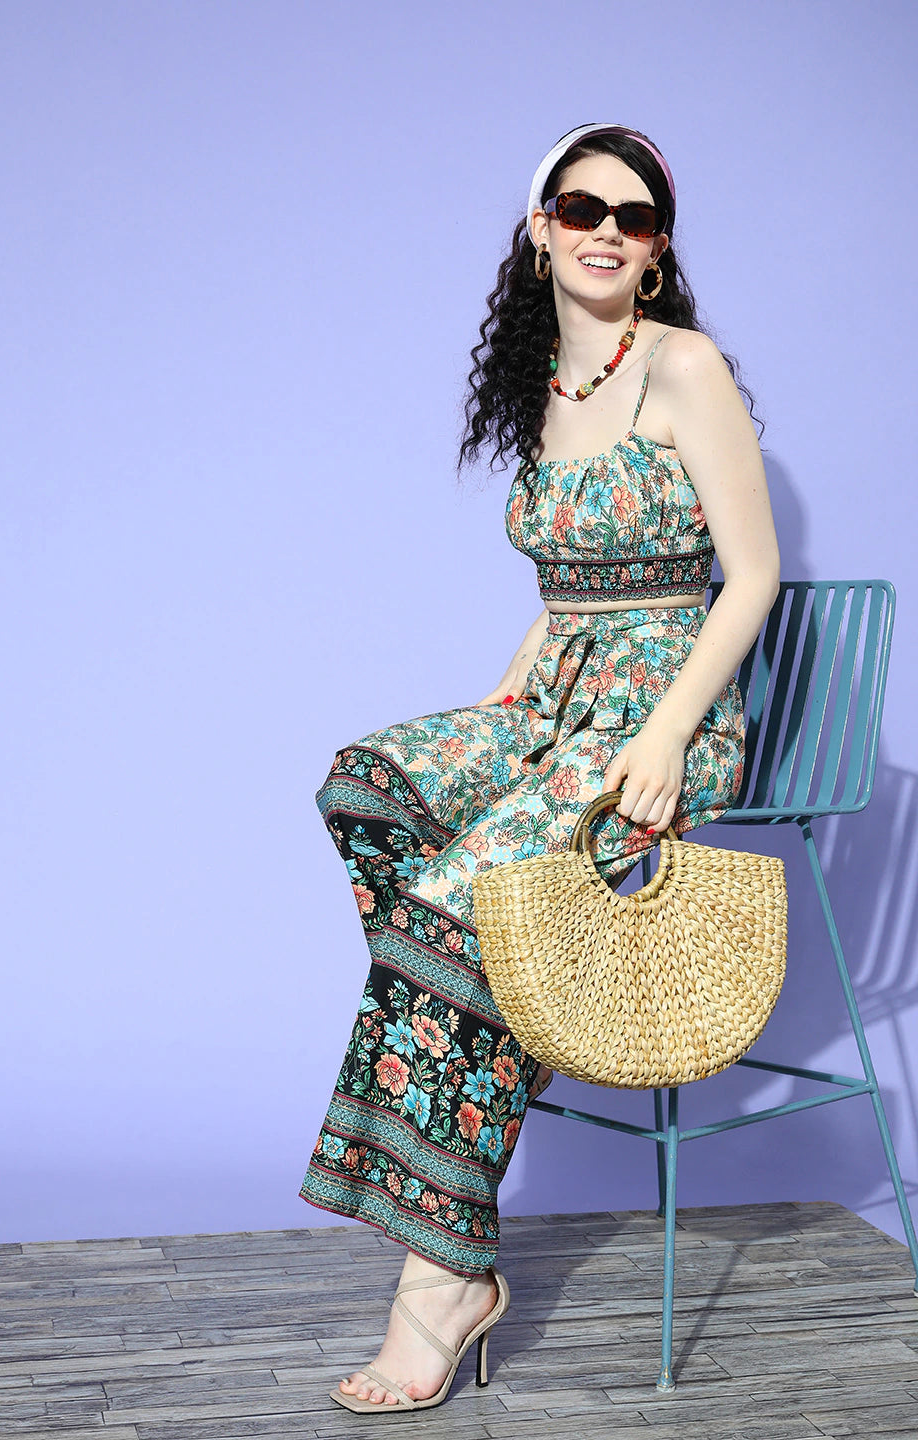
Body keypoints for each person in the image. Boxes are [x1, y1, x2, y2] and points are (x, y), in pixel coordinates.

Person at [300, 123, 781, 1414]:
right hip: (555, 697)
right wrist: (507, 699)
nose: (606, 232)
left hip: (661, 712)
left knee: (458, 917)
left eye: (635, 217)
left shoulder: (682, 366)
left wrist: (665, 734)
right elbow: (567, 586)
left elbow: (752, 577)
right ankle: (515, 1006)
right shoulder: (545, 384)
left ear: (659, 250)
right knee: (367, 785)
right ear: (539, 231)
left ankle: (442, 1279)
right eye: (581, 209)